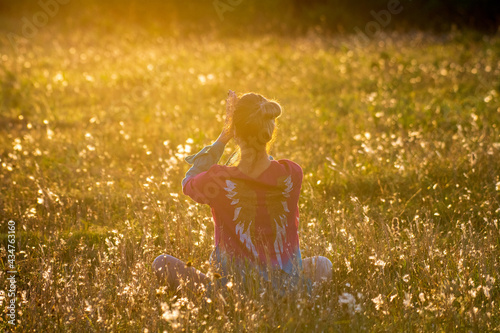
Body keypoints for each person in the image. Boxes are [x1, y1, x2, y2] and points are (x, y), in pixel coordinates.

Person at [152, 91, 332, 294]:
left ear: (235, 130)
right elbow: (263, 168)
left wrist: (223, 137)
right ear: (270, 130)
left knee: (162, 262)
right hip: (283, 288)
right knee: (323, 264)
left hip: (231, 292)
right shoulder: (291, 174)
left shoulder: (218, 179)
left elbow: (188, 182)